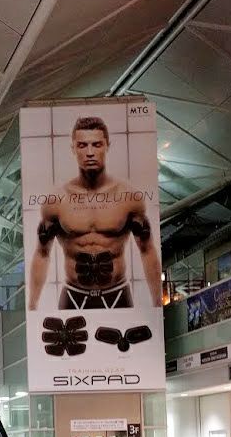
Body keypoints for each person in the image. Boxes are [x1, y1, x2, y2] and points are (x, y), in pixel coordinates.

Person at [27, 117, 162, 311]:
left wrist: (157, 303)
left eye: (96, 144)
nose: (90, 152)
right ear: (73, 148)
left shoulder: (129, 197)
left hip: (118, 295)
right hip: (73, 297)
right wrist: (32, 306)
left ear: (107, 145)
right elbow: (42, 253)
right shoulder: (56, 200)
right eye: (82, 145)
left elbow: (147, 250)